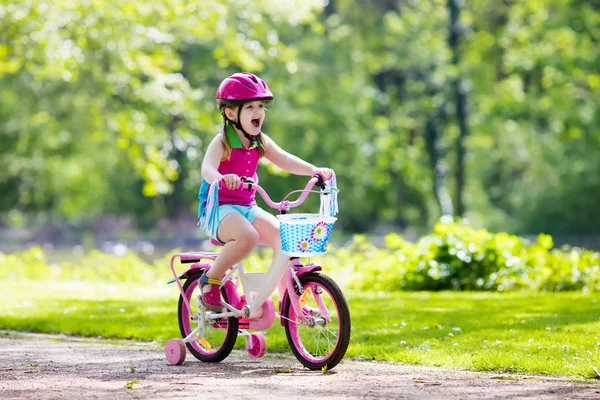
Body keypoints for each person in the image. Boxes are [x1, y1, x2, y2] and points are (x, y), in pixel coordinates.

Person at [198, 72, 333, 311]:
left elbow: (284, 159)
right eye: (249, 106)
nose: (258, 111)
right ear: (231, 113)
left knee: (286, 240)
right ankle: (210, 280)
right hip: (219, 209)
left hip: (247, 207)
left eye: (260, 106)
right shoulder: (222, 141)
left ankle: (290, 303)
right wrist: (220, 178)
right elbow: (206, 167)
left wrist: (313, 170)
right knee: (247, 237)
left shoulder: (259, 141)